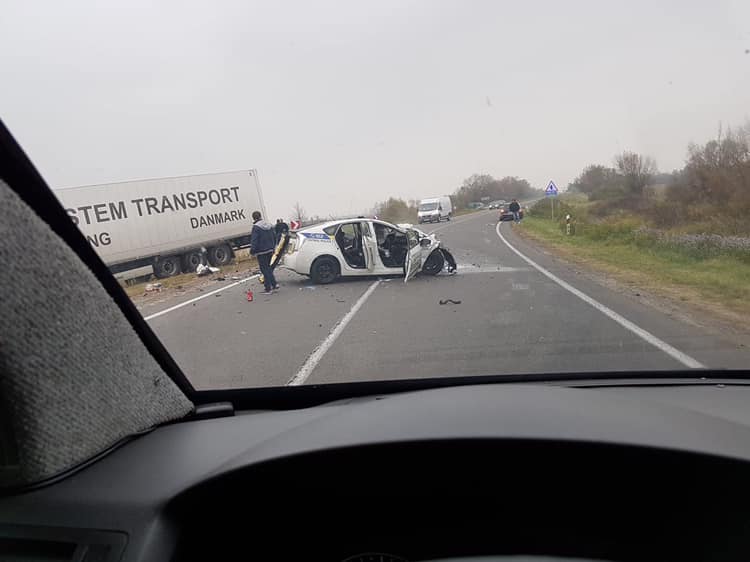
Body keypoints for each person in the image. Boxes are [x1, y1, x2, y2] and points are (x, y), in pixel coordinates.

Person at [250, 211, 278, 294]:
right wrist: (273, 247)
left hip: (261, 252)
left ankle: (268, 288)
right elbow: (274, 236)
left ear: (254, 218)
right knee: (268, 268)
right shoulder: (269, 225)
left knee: (264, 270)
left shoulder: (256, 227)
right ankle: (274, 284)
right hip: (270, 250)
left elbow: (254, 240)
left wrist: (252, 251)